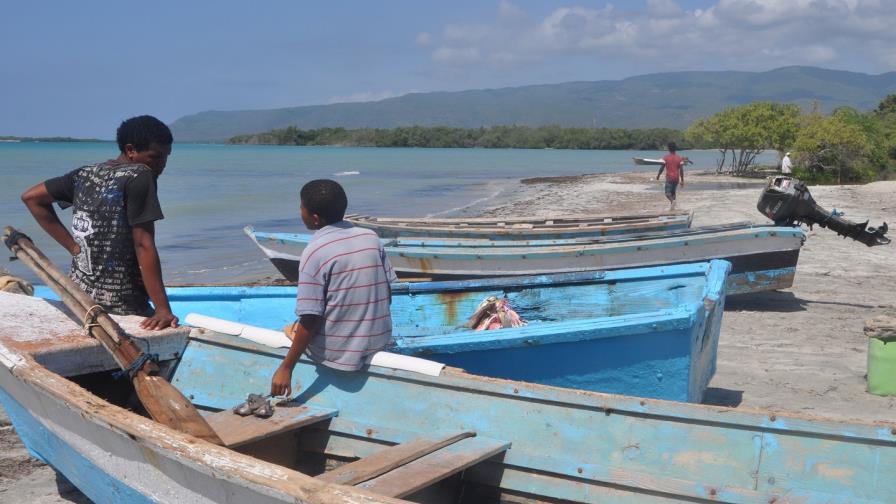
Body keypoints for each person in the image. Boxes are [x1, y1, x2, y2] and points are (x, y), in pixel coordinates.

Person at [20, 115, 178, 330]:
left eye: (166, 157)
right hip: (123, 303)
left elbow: (31, 197)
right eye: (155, 157)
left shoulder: (85, 173)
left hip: (80, 298)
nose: (162, 165)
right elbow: (143, 244)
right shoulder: (141, 175)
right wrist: (163, 310)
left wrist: (73, 248)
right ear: (131, 150)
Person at [270, 179, 397, 397]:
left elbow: (310, 318)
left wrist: (286, 367)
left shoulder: (315, 251)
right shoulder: (370, 237)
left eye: (301, 207)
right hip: (380, 339)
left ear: (315, 218)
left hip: (341, 353)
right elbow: (387, 292)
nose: (300, 211)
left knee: (290, 329)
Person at [655, 142, 686, 210]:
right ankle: (673, 207)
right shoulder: (679, 158)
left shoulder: (666, 158)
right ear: (675, 148)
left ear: (669, 148)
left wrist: (658, 175)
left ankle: (672, 202)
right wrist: (682, 180)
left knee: (667, 193)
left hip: (669, 178)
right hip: (676, 178)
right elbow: (681, 170)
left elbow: (662, 168)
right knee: (673, 192)